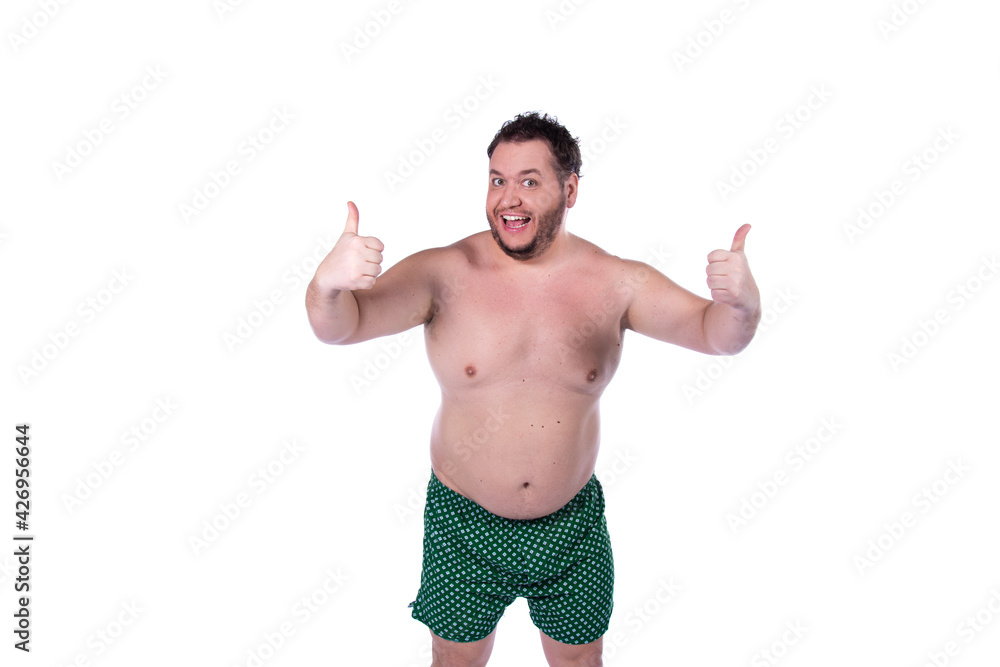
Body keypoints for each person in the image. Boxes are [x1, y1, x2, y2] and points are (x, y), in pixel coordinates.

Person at [305, 111, 760, 666]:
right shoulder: (443, 273)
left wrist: (742, 305)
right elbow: (342, 327)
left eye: (529, 180)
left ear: (570, 190)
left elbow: (715, 334)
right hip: (462, 523)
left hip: (571, 527)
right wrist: (327, 286)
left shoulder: (618, 282)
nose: (508, 199)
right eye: (497, 179)